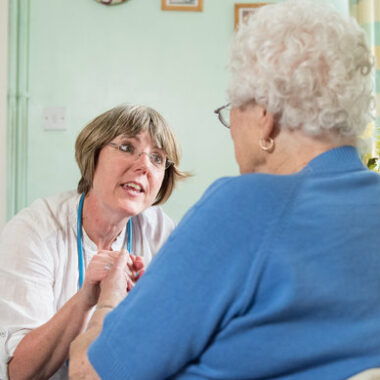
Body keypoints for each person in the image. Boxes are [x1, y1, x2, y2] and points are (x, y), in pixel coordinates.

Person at [69, 1, 380, 379]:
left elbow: (93, 372)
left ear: (266, 118)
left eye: (234, 108)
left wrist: (109, 301)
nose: (231, 127)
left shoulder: (246, 207)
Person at [0, 104, 187, 379]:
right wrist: (87, 296)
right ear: (93, 154)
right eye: (126, 147)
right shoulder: (33, 230)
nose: (144, 166)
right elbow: (20, 372)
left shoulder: (160, 230)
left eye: (158, 158)